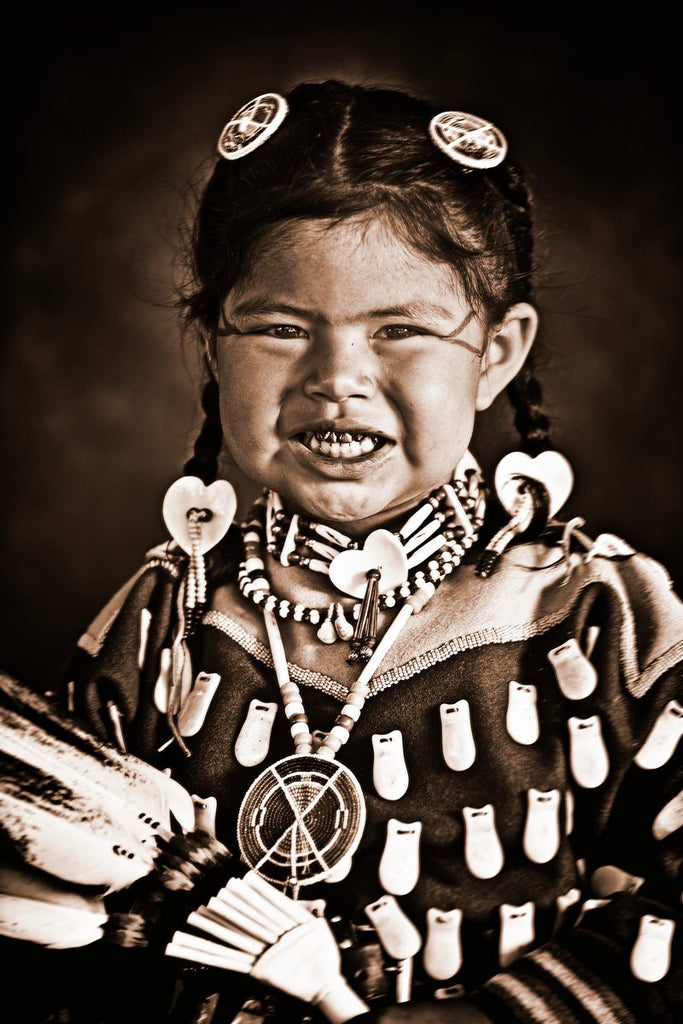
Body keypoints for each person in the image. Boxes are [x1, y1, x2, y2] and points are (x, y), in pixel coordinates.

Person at [3, 80, 682, 1023]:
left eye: (400, 331)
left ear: (496, 353)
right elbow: (53, 903)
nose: (336, 381)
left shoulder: (600, 618)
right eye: (281, 330)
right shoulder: (161, 622)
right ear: (210, 347)